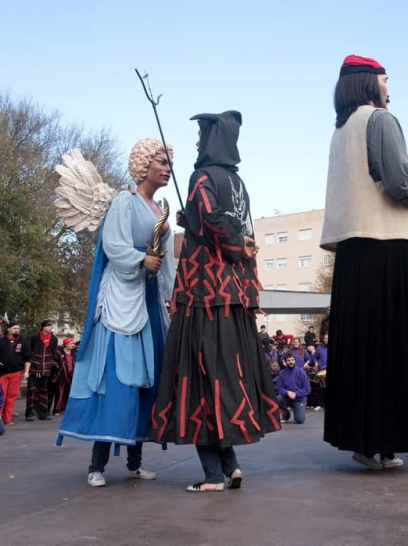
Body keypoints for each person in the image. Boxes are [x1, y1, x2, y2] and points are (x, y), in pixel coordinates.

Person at [320, 55, 408, 469]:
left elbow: (371, 190)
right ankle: (387, 439)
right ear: (369, 83)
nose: (389, 88)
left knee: (360, 351)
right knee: (390, 347)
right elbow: (398, 183)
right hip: (382, 249)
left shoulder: (340, 132)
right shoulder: (380, 120)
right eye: (385, 80)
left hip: (352, 254)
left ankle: (363, 440)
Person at [151, 111, 280, 493]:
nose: (196, 144)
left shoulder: (201, 177)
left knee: (195, 379)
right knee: (225, 377)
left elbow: (213, 220)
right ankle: (232, 466)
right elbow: (224, 224)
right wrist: (191, 219)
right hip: (234, 297)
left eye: (201, 136)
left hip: (203, 296)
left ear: (213, 141)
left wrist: (207, 225)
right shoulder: (237, 181)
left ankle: (211, 476)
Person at [58, 138, 175, 488]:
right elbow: (113, 244)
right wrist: (142, 259)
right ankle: (97, 464)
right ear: (143, 164)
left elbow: (166, 265)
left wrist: (172, 294)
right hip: (123, 302)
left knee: (146, 383)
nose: (167, 168)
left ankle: (136, 460)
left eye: (170, 162)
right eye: (162, 161)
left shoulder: (162, 210)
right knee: (116, 380)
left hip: (151, 301)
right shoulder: (124, 201)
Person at [0, 321, 31, 426]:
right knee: (1, 396)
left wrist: (26, 372)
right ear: (8, 329)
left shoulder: (23, 342)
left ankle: (7, 419)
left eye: (18, 328)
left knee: (12, 396)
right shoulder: (1, 341)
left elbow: (27, 358)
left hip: (16, 373)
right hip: (2, 373)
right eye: (14, 328)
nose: (17, 330)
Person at [25, 319, 60, 421]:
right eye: (49, 326)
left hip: (46, 369)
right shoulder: (35, 338)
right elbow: (29, 351)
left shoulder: (53, 339)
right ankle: (30, 412)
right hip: (35, 368)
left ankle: (43, 413)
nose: (50, 328)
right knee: (32, 390)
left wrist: (52, 361)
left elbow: (54, 352)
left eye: (51, 326)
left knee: (44, 390)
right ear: (44, 327)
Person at [276, 354, 311, 424]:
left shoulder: (301, 373)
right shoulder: (282, 373)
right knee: (277, 398)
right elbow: (279, 388)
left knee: (300, 420)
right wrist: (287, 392)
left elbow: (307, 389)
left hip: (299, 400)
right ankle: (286, 414)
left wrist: (296, 393)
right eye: (288, 360)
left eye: (292, 360)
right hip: (287, 398)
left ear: (295, 361)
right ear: (285, 362)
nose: (290, 362)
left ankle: (297, 410)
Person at [50, 337, 77, 416]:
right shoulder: (59, 352)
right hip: (61, 375)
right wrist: (59, 367)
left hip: (71, 374)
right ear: (66, 344)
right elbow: (53, 362)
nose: (73, 345)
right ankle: (56, 409)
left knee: (69, 392)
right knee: (59, 393)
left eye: (73, 343)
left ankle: (66, 408)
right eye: (71, 343)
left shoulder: (74, 352)